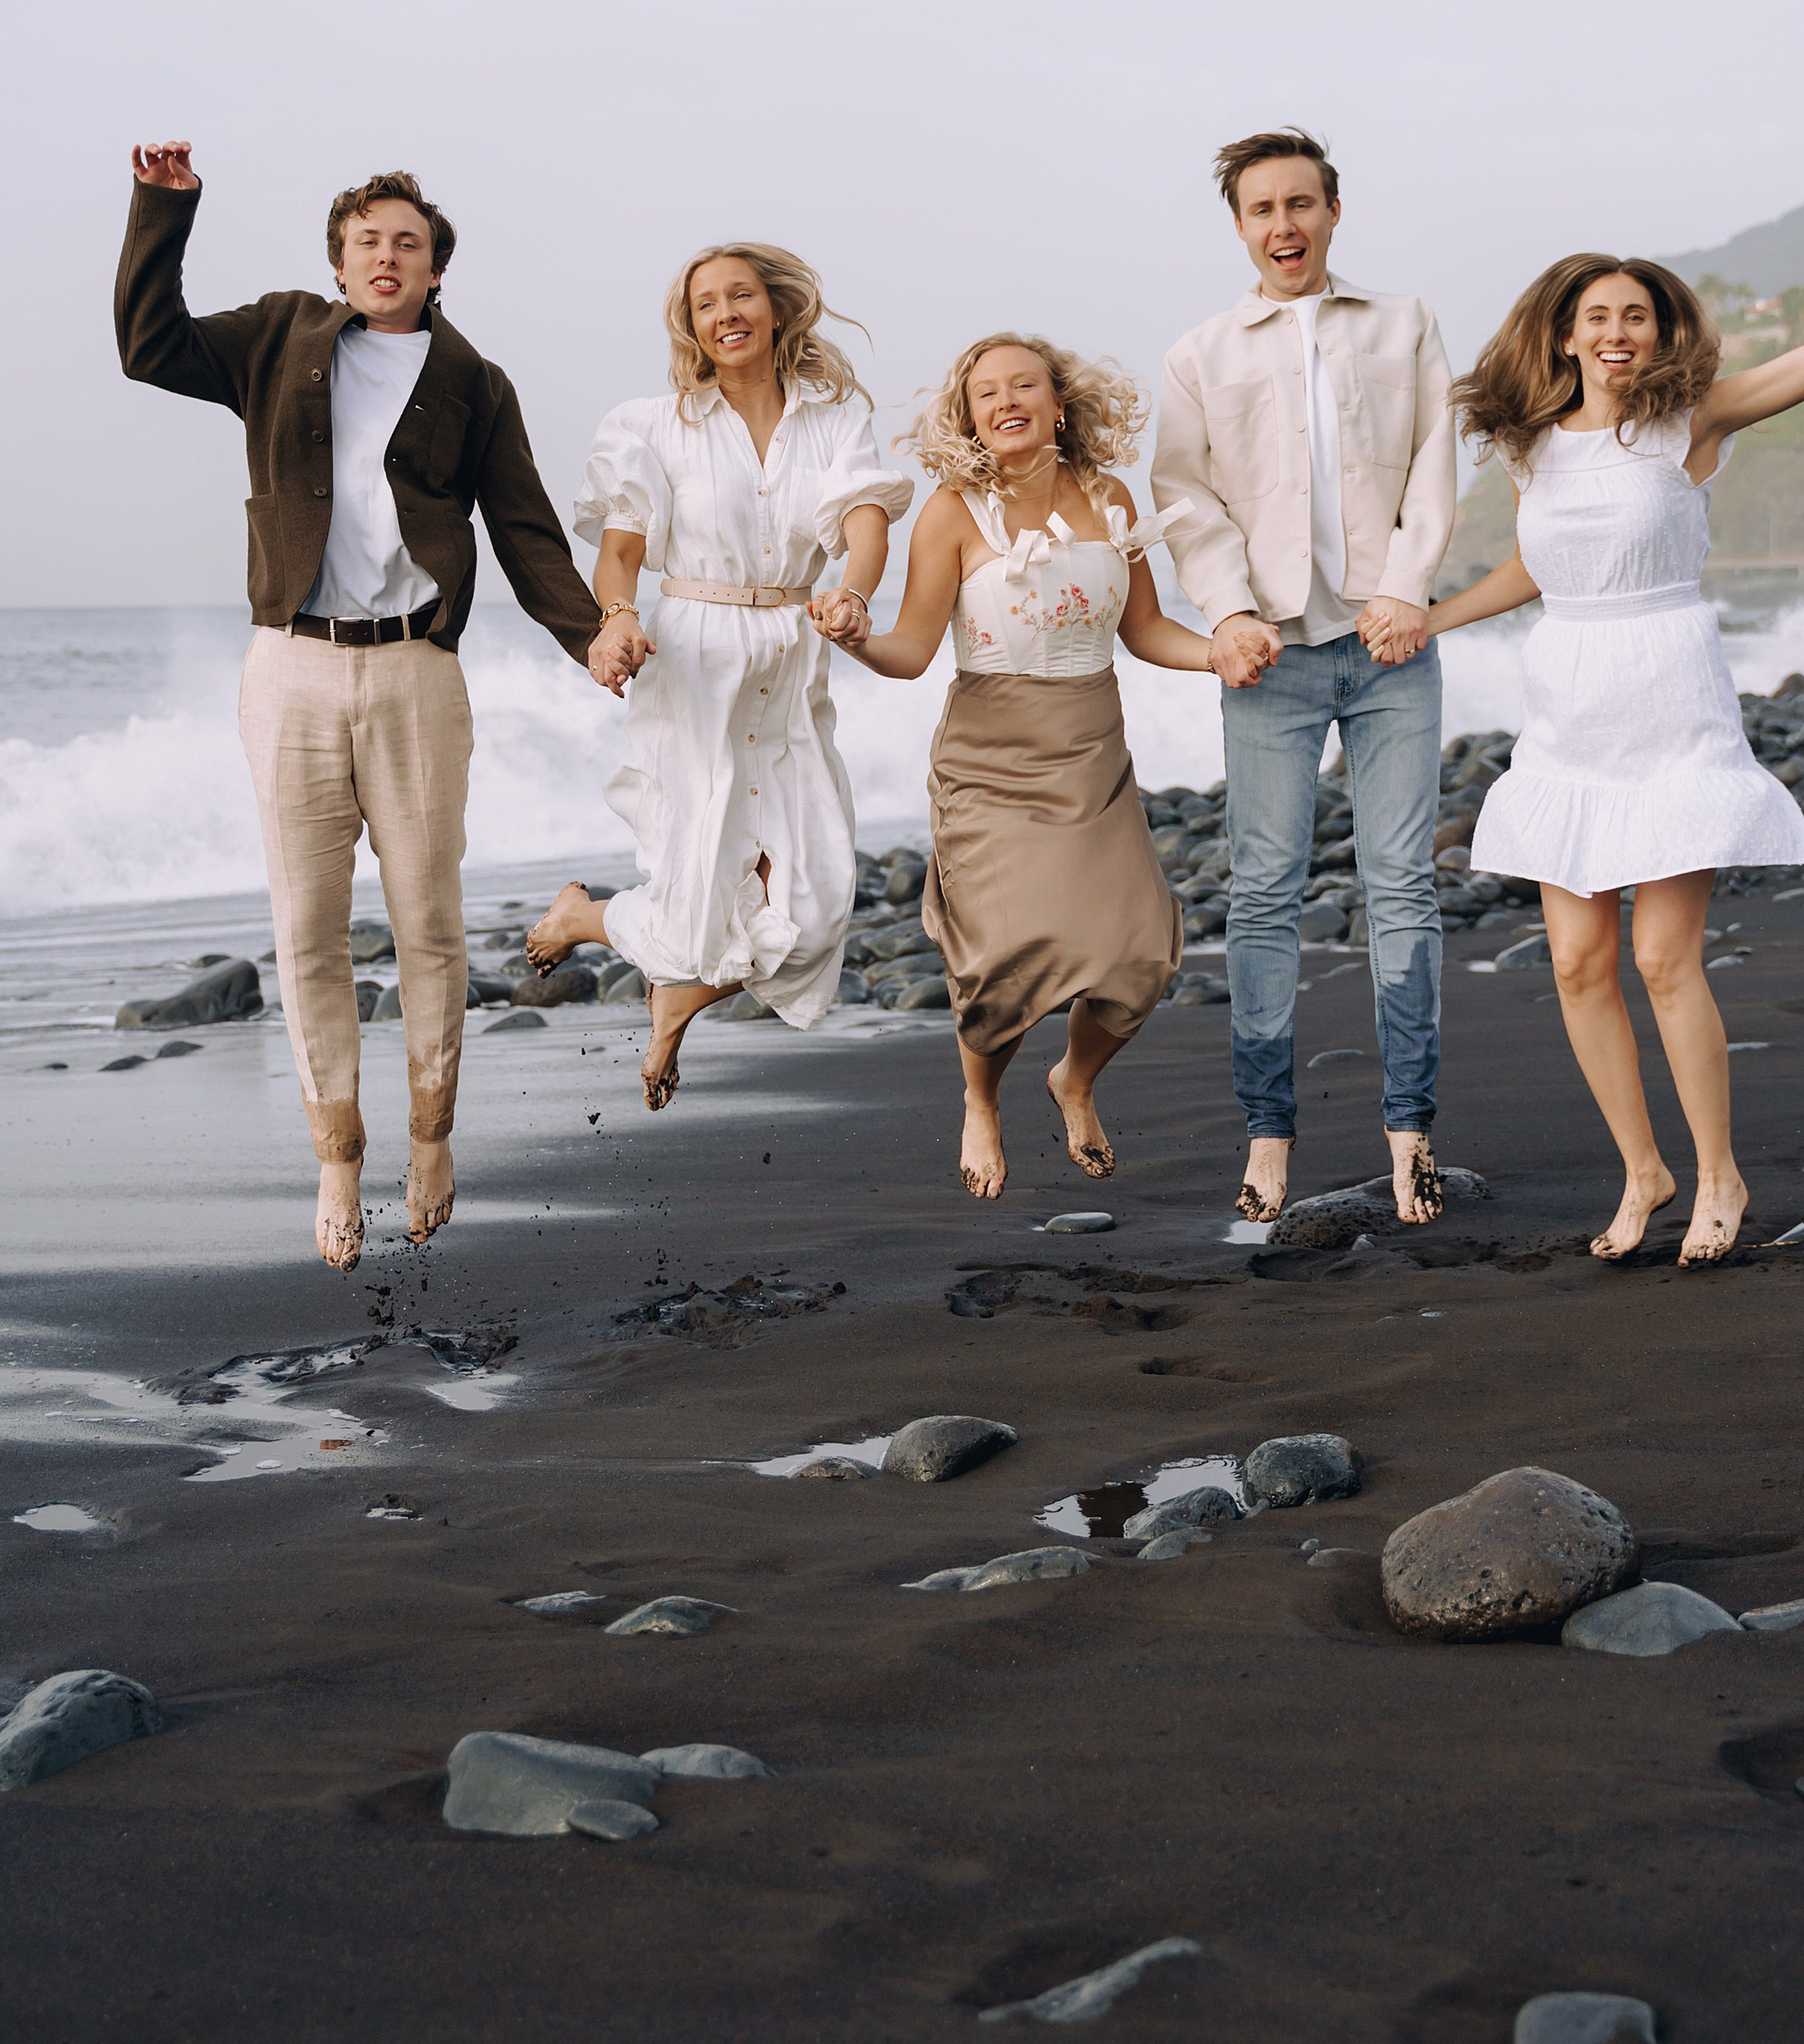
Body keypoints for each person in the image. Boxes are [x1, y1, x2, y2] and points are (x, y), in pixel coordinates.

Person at [1425, 155, 1804, 1268]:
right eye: (1597, 314)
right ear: (1563, 334)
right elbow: (1540, 573)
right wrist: (1432, 620)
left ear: (1661, 335)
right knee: (1574, 961)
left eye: (1638, 315)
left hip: (1669, 699)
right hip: (1567, 709)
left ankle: (1719, 1172)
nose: (1617, 329)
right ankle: (1643, 1169)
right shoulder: (1530, 447)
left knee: (1664, 958)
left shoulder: (1691, 424)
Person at [116, 145, 605, 1273]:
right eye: (368, 239)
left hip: (416, 673)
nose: (387, 255)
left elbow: (526, 530)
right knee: (307, 929)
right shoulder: (282, 337)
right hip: (290, 666)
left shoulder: (475, 381)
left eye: (409, 242)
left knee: (431, 923)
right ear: (340, 259)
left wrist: (591, 638)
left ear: (436, 268)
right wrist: (164, 208)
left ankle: (431, 1140)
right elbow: (150, 347)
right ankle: (337, 1153)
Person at [1151, 129, 1457, 1225]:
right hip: (1268, 656)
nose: (1283, 224)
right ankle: (1268, 1134)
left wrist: (1406, 583)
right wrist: (1228, 611)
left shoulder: (1405, 323)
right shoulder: (1202, 352)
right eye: (1261, 209)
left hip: (1390, 647)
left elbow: (1433, 459)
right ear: (1240, 227)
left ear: (1334, 210)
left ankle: (1411, 1134)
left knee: (1404, 887)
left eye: (1300, 203)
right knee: (1265, 895)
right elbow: (1186, 497)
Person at [828, 334, 1212, 1199]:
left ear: (1057, 402)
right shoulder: (952, 511)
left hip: (1091, 750)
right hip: (988, 758)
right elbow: (911, 650)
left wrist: (1219, 650)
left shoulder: (1110, 495)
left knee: (1140, 955)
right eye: (985, 392)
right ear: (968, 417)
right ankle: (980, 1100)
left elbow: (1145, 630)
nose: (1005, 400)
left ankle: (1073, 1080)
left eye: (1023, 385)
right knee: (1000, 959)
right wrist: (856, 640)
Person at [526, 245, 909, 1108]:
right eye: (706, 304)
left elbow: (864, 521)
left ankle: (650, 983)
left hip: (794, 652)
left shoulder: (834, 416)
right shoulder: (652, 425)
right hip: (694, 664)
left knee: (814, 915)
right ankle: (589, 923)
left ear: (775, 309)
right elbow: (621, 545)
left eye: (741, 295)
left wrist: (852, 592)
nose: (725, 312)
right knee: (695, 913)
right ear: (692, 326)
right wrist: (617, 618)